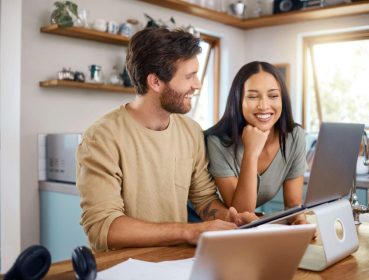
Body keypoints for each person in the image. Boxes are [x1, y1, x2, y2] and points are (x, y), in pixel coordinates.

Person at [76, 27, 255, 252]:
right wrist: (189, 231)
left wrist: (229, 219)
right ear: (156, 82)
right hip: (121, 269)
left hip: (174, 264)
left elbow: (204, 199)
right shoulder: (101, 137)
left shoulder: (191, 131)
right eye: (189, 76)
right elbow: (104, 228)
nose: (197, 84)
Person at [205, 61, 307, 225]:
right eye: (252, 96)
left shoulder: (294, 137)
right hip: (205, 223)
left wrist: (299, 222)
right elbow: (241, 214)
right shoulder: (217, 142)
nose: (264, 106)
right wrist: (251, 153)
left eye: (273, 96)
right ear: (238, 100)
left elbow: (293, 204)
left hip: (241, 229)